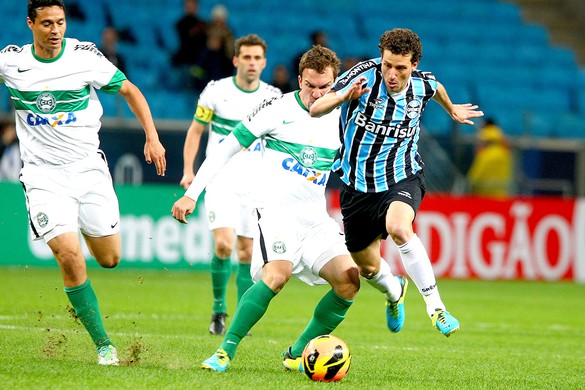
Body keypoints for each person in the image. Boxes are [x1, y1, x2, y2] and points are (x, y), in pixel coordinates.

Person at [172, 45, 360, 372]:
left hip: (315, 220)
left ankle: (297, 353)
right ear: (299, 80)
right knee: (277, 275)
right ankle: (225, 351)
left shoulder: (341, 114)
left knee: (349, 280)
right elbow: (225, 148)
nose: (316, 94)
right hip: (277, 214)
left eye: (324, 87)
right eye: (310, 86)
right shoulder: (277, 108)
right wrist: (193, 194)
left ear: (335, 83)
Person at [0, 0, 166, 365]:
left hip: (88, 169)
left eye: (60, 22)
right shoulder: (11, 62)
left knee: (109, 259)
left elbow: (130, 91)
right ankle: (104, 345)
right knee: (70, 256)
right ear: (30, 24)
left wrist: (152, 137)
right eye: (46, 23)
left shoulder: (84, 57)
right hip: (43, 175)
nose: (55, 30)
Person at [310, 28, 484, 337]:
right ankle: (394, 291)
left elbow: (437, 88)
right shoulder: (363, 76)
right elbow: (317, 108)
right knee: (367, 269)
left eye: (400, 67)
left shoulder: (423, 84)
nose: (391, 73)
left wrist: (452, 108)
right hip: (356, 186)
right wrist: (342, 98)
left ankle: (436, 307)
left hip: (402, 175)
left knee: (400, 228)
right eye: (387, 64)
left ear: (414, 65)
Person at [179, 34, 281, 336]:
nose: (251, 63)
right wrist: (188, 170)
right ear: (236, 60)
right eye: (246, 57)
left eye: (256, 58)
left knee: (247, 253)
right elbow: (196, 131)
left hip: (256, 185)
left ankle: (239, 316)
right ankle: (218, 309)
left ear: (264, 63)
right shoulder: (216, 91)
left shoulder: (273, 96)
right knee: (224, 244)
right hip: (220, 179)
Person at [467, 118, 513, 198]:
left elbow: (481, 146)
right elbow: (507, 146)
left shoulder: (484, 132)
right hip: (501, 157)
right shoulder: (499, 131)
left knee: (480, 180)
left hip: (487, 157)